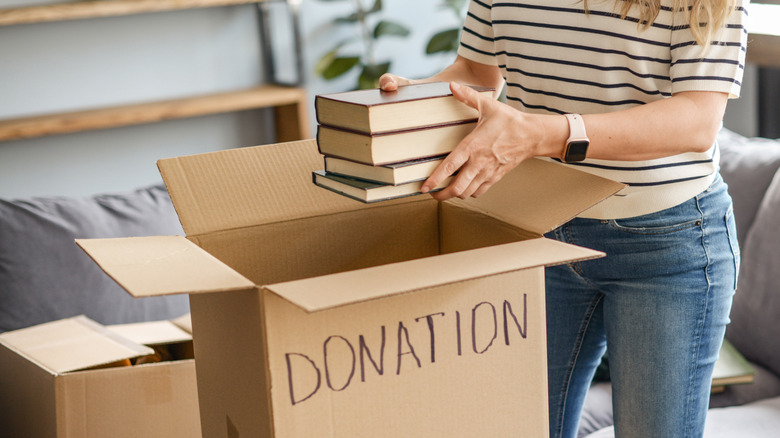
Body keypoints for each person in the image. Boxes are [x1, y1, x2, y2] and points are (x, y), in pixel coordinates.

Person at [379, 0, 747, 437]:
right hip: (534, 230)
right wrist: (415, 99)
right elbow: (478, 74)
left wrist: (539, 136)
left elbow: (695, 120)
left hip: (666, 244)